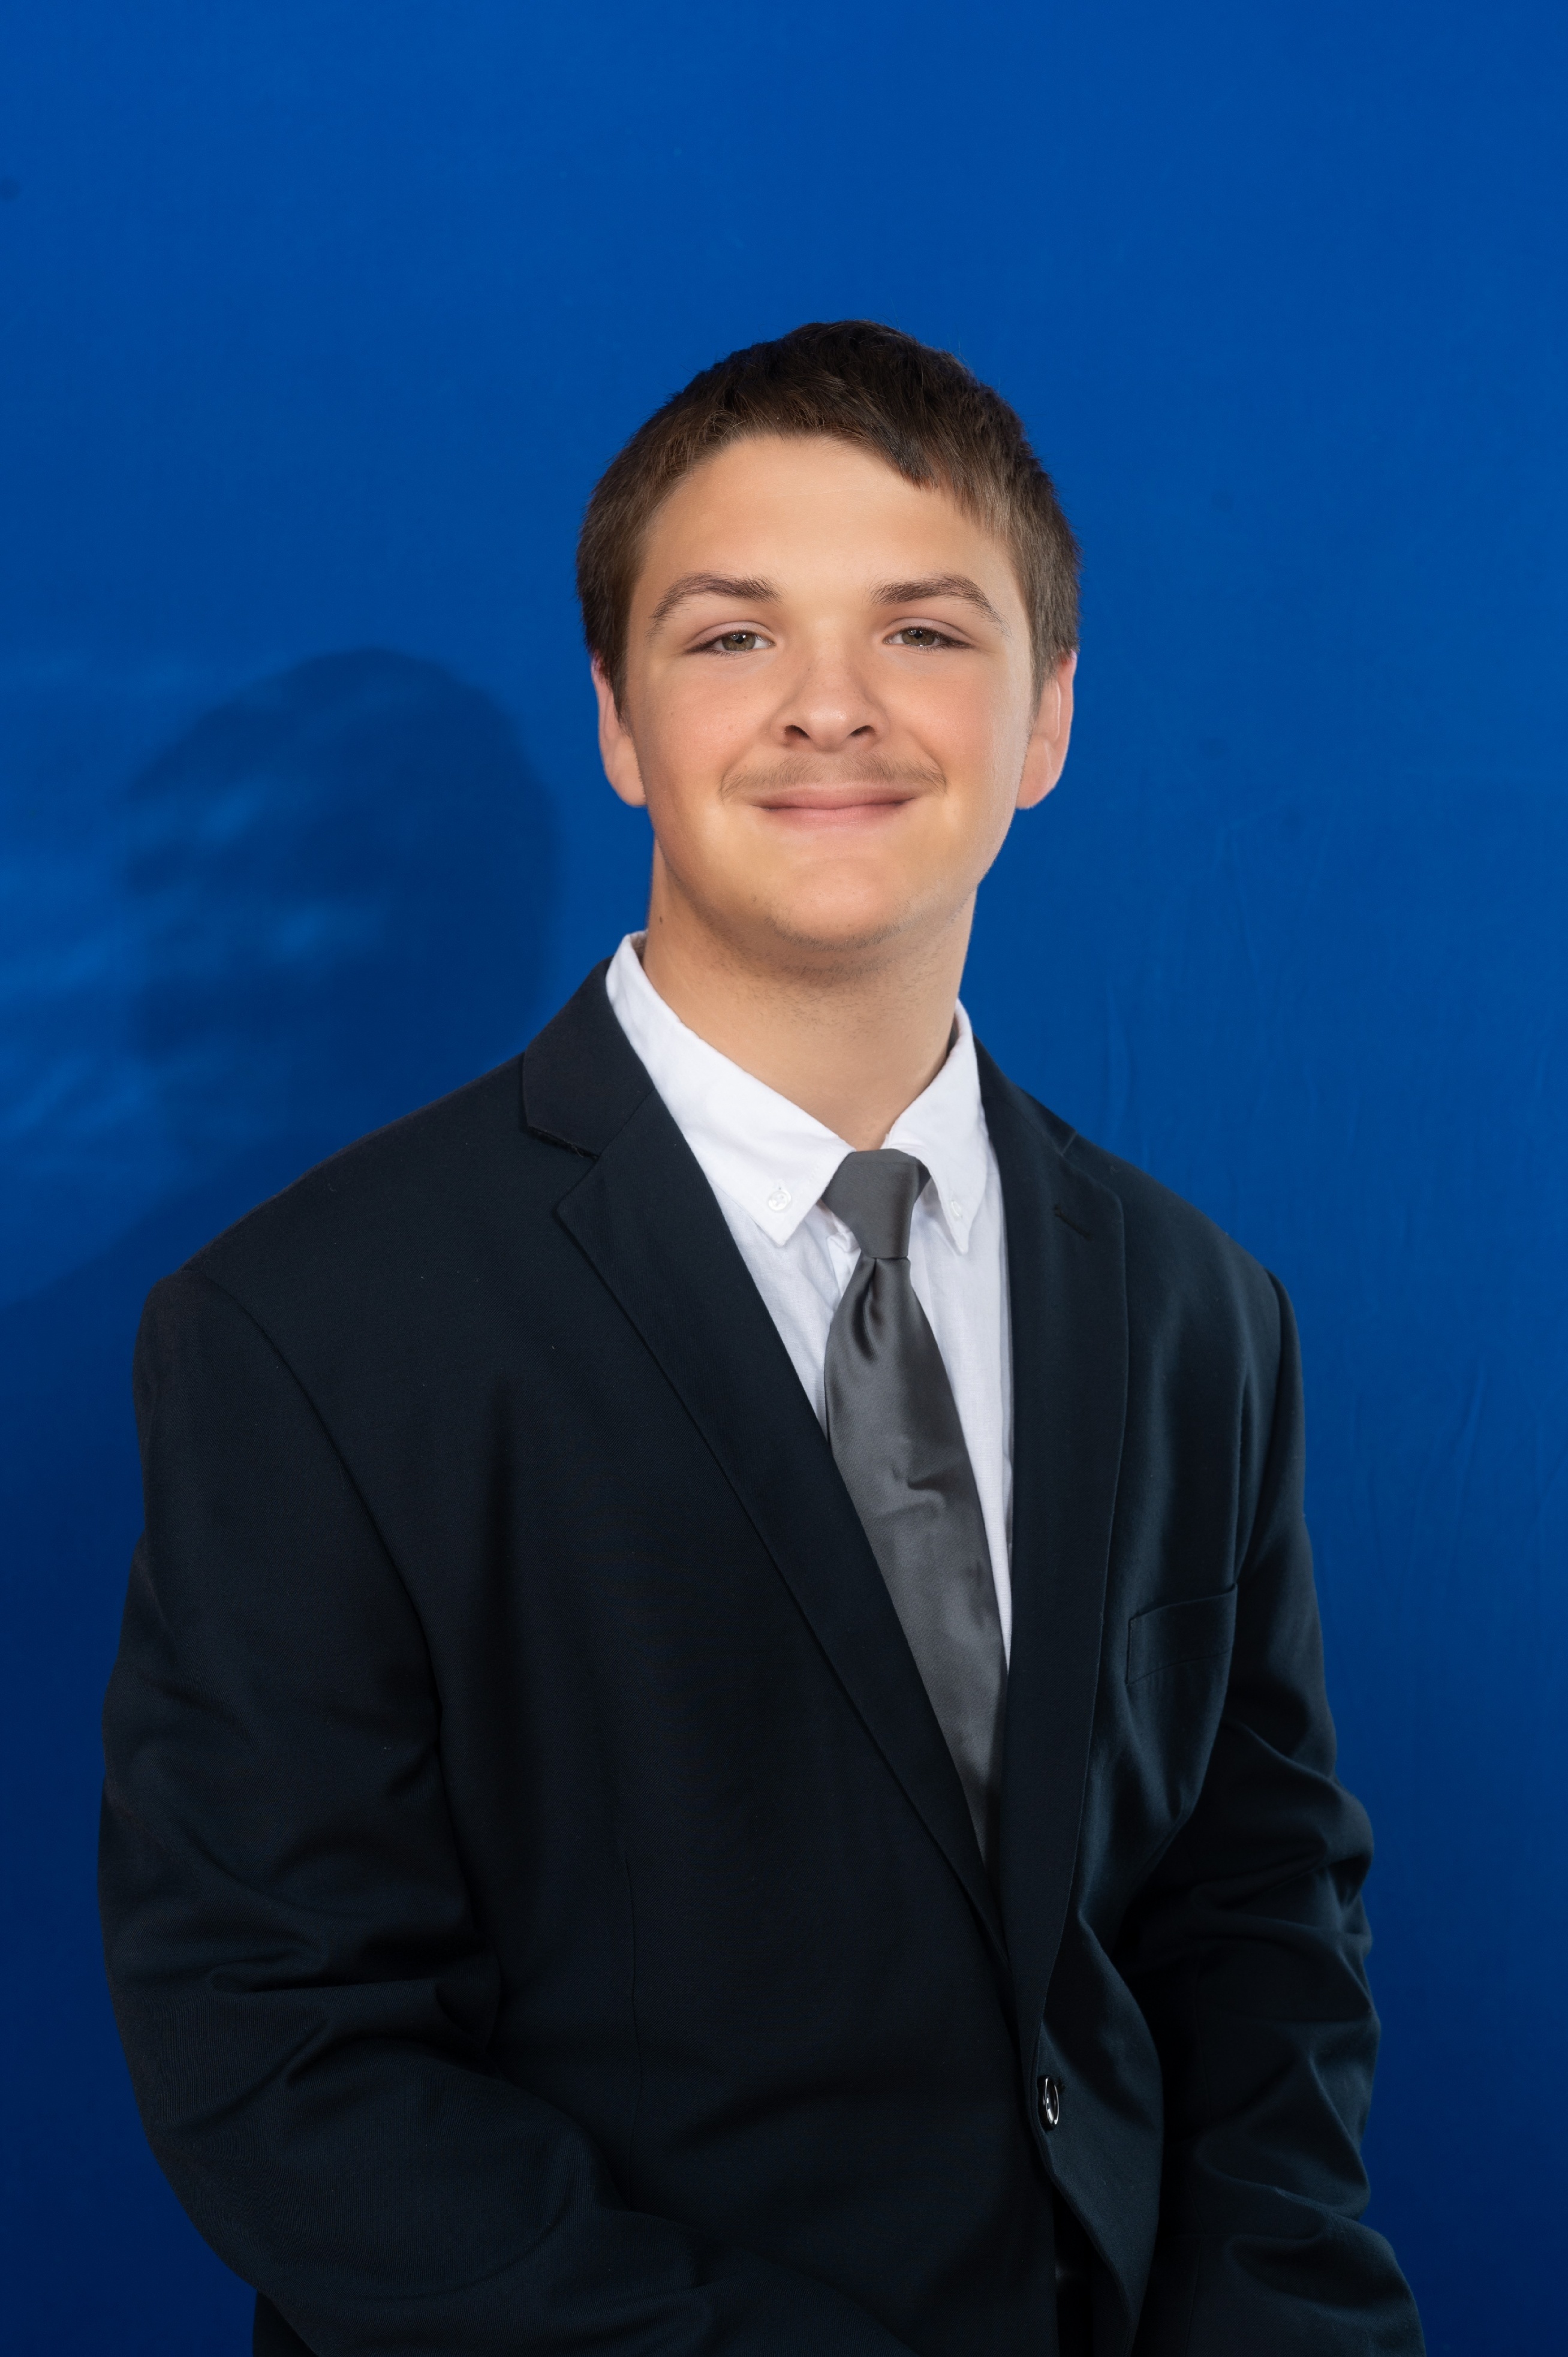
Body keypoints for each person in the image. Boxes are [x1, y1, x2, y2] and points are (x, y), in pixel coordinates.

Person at [100, 321, 1425, 2357]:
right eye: (733, 636)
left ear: (1049, 716)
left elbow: (1257, 1918)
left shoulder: (1197, 1307)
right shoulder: (305, 1324)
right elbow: (283, 2052)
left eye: (924, 631)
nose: (831, 705)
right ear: (621, 722)